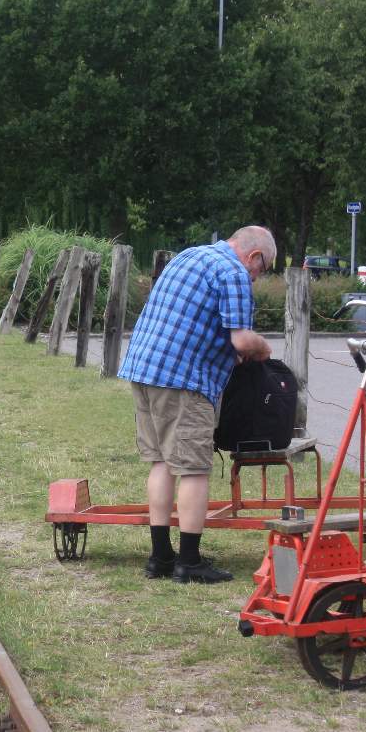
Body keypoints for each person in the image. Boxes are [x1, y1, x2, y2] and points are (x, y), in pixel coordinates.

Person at [117, 226, 275, 583]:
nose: (256, 277)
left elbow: (191, 321)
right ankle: (189, 562)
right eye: (261, 270)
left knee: (160, 462)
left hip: (144, 370)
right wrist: (263, 348)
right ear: (254, 257)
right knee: (192, 468)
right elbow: (241, 340)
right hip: (184, 380)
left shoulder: (191, 255)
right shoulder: (233, 271)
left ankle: (160, 558)